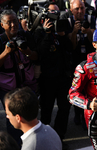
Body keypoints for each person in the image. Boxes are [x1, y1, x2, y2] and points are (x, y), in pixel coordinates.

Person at [33, 3, 72, 144]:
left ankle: (58, 138)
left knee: (64, 109)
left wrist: (62, 35)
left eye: (56, 12)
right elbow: (41, 53)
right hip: (47, 79)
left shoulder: (62, 27)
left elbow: (69, 48)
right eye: (51, 13)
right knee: (46, 111)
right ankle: (45, 141)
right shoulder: (39, 31)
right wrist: (48, 34)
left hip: (63, 78)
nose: (54, 16)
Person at [0, 9, 38, 146]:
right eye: (8, 22)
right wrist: (6, 52)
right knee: (13, 120)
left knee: (29, 116)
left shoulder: (26, 35)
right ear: (2, 25)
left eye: (15, 21)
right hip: (8, 89)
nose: (13, 25)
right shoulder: (0, 40)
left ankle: (31, 144)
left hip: (27, 85)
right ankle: (15, 146)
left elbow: (36, 56)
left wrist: (26, 51)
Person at [67, 0, 96, 129]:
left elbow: (95, 42)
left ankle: (88, 115)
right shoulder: (68, 22)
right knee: (77, 88)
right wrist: (74, 32)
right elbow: (71, 46)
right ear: (71, 10)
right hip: (75, 59)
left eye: (82, 8)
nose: (80, 11)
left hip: (90, 59)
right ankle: (78, 113)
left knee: (89, 88)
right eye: (77, 9)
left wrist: (88, 31)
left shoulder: (92, 18)